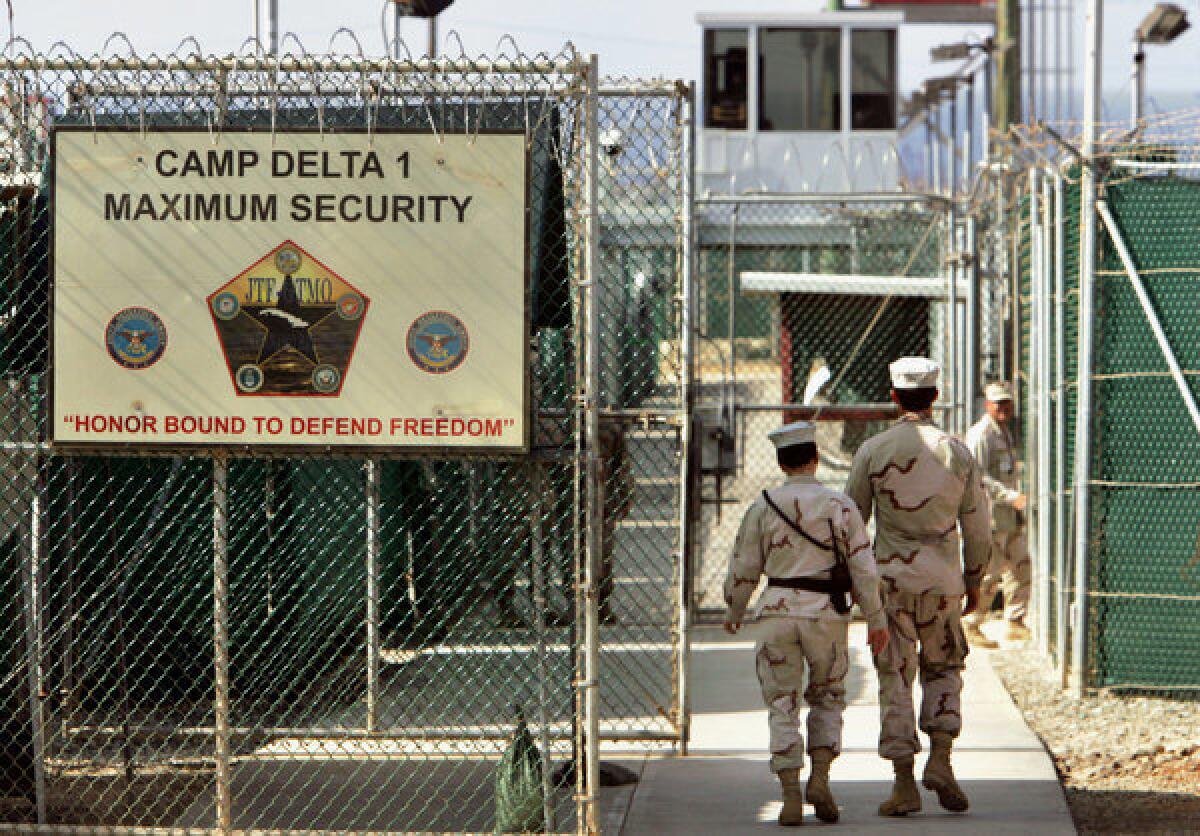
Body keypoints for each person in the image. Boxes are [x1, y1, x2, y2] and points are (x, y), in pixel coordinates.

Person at [723, 420, 889, 827]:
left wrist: (735, 610)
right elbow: (864, 569)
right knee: (828, 695)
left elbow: (745, 566)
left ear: (781, 461)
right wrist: (875, 618)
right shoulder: (840, 506)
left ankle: (790, 793)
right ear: (815, 459)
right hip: (825, 614)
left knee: (782, 702)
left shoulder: (763, 505)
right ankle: (820, 777)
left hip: (777, 612)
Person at [845, 357, 991, 817]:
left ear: (893, 396)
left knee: (895, 675)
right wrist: (974, 577)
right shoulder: (957, 450)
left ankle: (904, 783)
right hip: (943, 580)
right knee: (945, 668)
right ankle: (942, 760)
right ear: (934, 396)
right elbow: (979, 526)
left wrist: (856, 585)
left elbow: (851, 523)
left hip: (889, 581)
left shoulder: (873, 450)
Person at [963, 382, 1032, 647]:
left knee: (1020, 565)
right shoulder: (982, 435)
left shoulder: (1002, 431)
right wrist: (1010, 496)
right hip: (992, 515)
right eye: (998, 403)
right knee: (990, 573)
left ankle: (1015, 621)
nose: (1003, 408)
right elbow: (978, 476)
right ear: (987, 405)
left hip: (1008, 516)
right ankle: (970, 623)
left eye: (1007, 403)